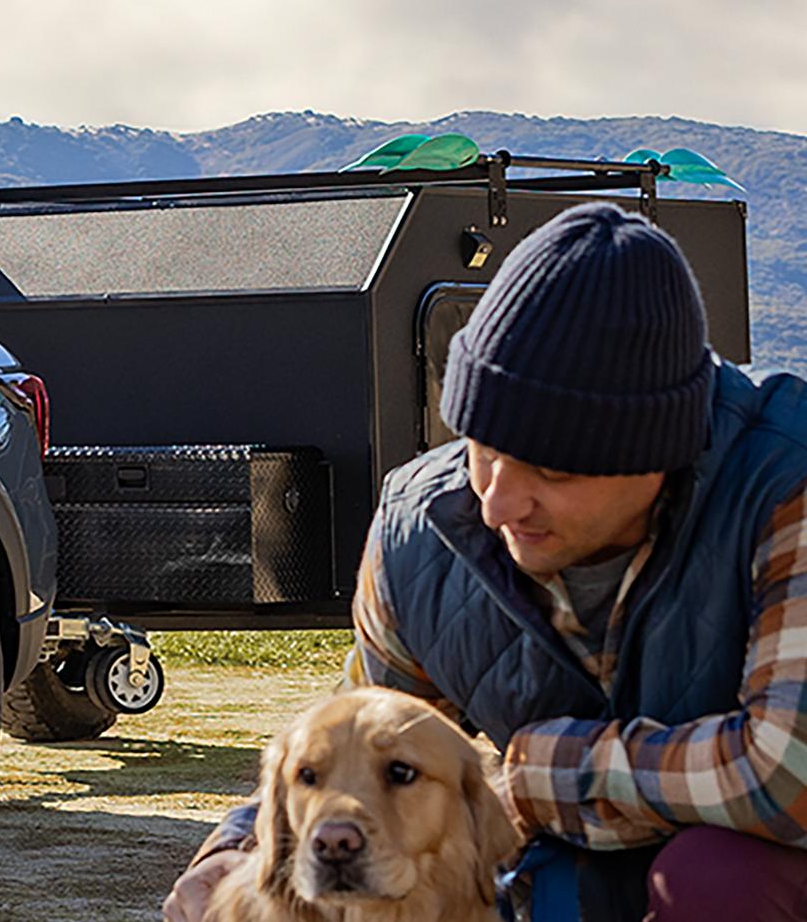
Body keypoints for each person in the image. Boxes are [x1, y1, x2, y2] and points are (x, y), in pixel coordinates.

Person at [164, 202, 807, 921]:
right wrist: (243, 845)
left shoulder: (786, 486)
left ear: (659, 452)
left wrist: (535, 777)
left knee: (716, 879)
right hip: (577, 868)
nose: (498, 504)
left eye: (551, 473)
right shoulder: (423, 525)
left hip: (756, 872)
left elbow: (788, 773)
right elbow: (364, 734)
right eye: (482, 450)